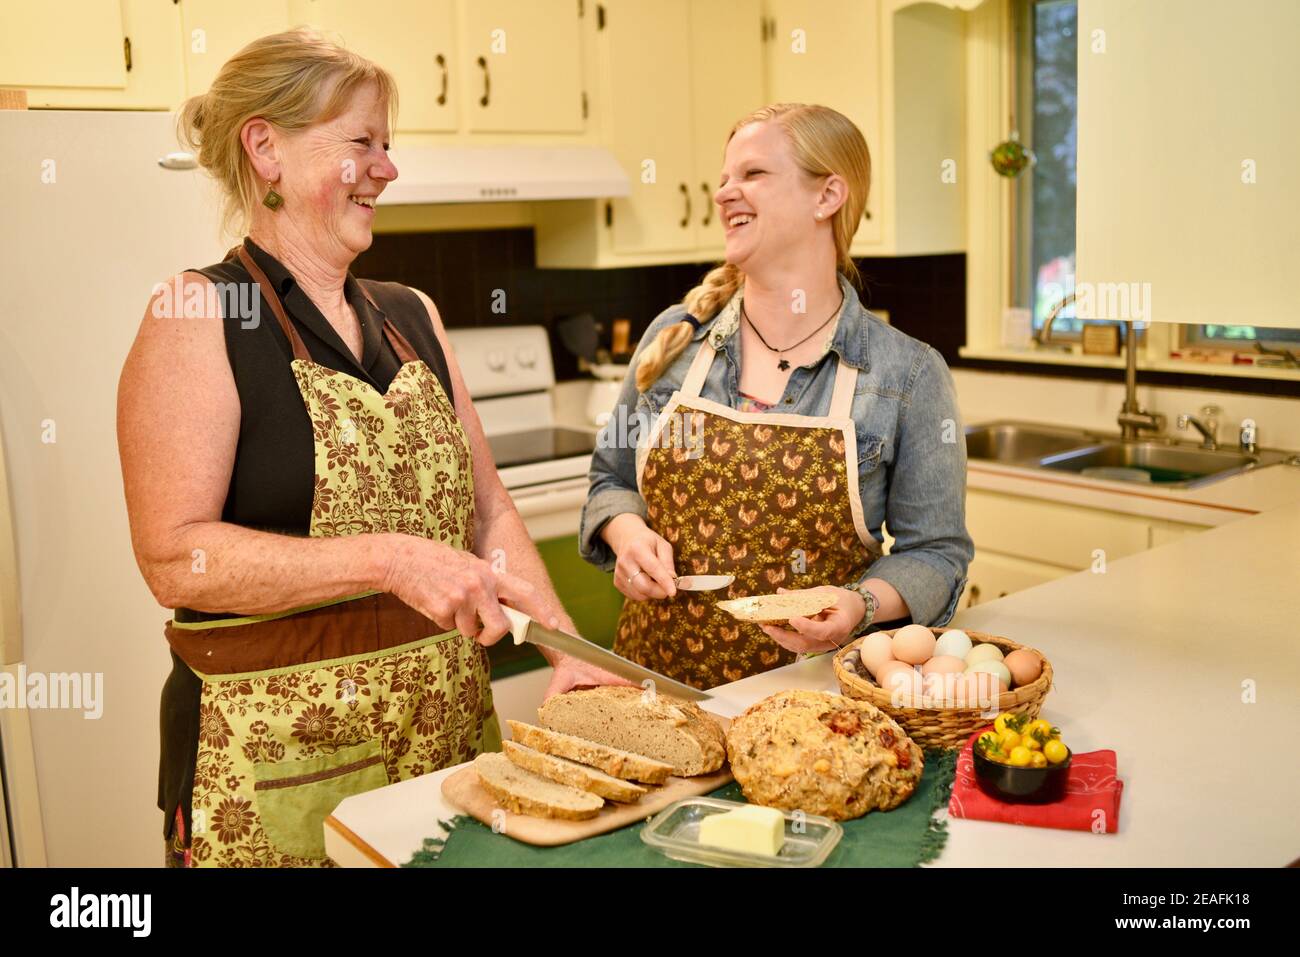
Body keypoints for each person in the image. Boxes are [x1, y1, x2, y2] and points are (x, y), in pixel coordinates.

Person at [117, 29, 620, 868]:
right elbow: (174, 558)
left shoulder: (411, 312)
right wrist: (389, 559)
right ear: (265, 148)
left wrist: (562, 645)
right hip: (274, 767)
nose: (387, 168)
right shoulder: (197, 315)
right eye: (362, 144)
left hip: (447, 749)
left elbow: (488, 509)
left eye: (388, 145)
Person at [581, 103, 973, 690]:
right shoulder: (673, 341)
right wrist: (628, 535)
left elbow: (937, 554)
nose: (723, 194)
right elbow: (610, 482)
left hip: (815, 706)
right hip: (655, 696)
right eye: (723, 180)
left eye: (753, 175)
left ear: (828, 196)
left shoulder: (907, 375)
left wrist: (859, 604)